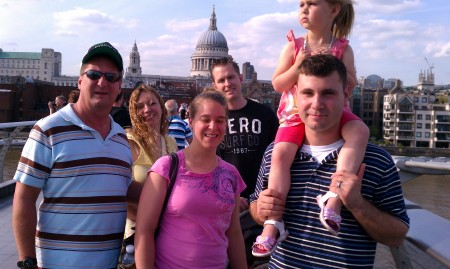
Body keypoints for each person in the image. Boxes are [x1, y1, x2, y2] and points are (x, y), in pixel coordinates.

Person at [249, 54, 410, 268]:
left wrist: (356, 204)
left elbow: (396, 235)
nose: (317, 104)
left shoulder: (376, 160)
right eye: (308, 93)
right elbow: (255, 207)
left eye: (328, 93)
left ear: (346, 94)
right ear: (296, 95)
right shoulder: (274, 153)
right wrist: (260, 209)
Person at [252, 0, 371, 256]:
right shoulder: (293, 46)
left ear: (334, 10)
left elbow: (351, 82)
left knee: (360, 132)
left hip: (335, 113)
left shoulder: (342, 48)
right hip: (296, 115)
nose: (304, 9)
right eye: (301, 4)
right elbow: (278, 84)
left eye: (312, 4)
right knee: (280, 156)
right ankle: (273, 223)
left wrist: (330, 66)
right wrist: (299, 65)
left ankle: (333, 198)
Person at [12, 41, 143, 269]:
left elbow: (121, 188)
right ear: (80, 81)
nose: (102, 82)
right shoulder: (48, 129)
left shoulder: (121, 138)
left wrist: (172, 187)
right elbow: (23, 198)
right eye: (94, 74)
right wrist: (28, 261)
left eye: (111, 77)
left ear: (119, 86)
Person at [135, 90, 247, 268]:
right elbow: (144, 232)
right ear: (191, 122)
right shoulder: (166, 168)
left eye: (220, 120)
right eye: (205, 119)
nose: (213, 126)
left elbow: (233, 233)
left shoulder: (231, 174)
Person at [123, 84, 178, 241]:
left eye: (152, 103)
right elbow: (119, 191)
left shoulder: (171, 142)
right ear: (134, 113)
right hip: (136, 231)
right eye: (140, 106)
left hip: (169, 227)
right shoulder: (128, 142)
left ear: (161, 107)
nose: (147, 109)